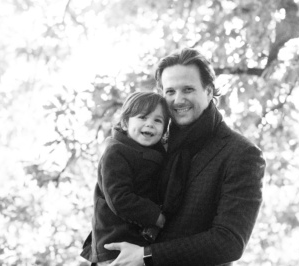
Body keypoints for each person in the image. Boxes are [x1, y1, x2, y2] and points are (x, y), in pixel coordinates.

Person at [104, 47, 266, 266]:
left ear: (209, 91)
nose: (178, 100)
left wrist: (147, 255)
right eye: (170, 92)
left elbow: (229, 241)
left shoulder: (241, 153)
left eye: (188, 89)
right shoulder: (153, 142)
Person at [81, 92, 170, 265]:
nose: (150, 124)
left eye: (158, 120)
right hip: (115, 243)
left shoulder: (157, 154)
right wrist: (156, 216)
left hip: (137, 242)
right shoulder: (116, 152)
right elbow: (119, 198)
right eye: (143, 117)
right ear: (124, 122)